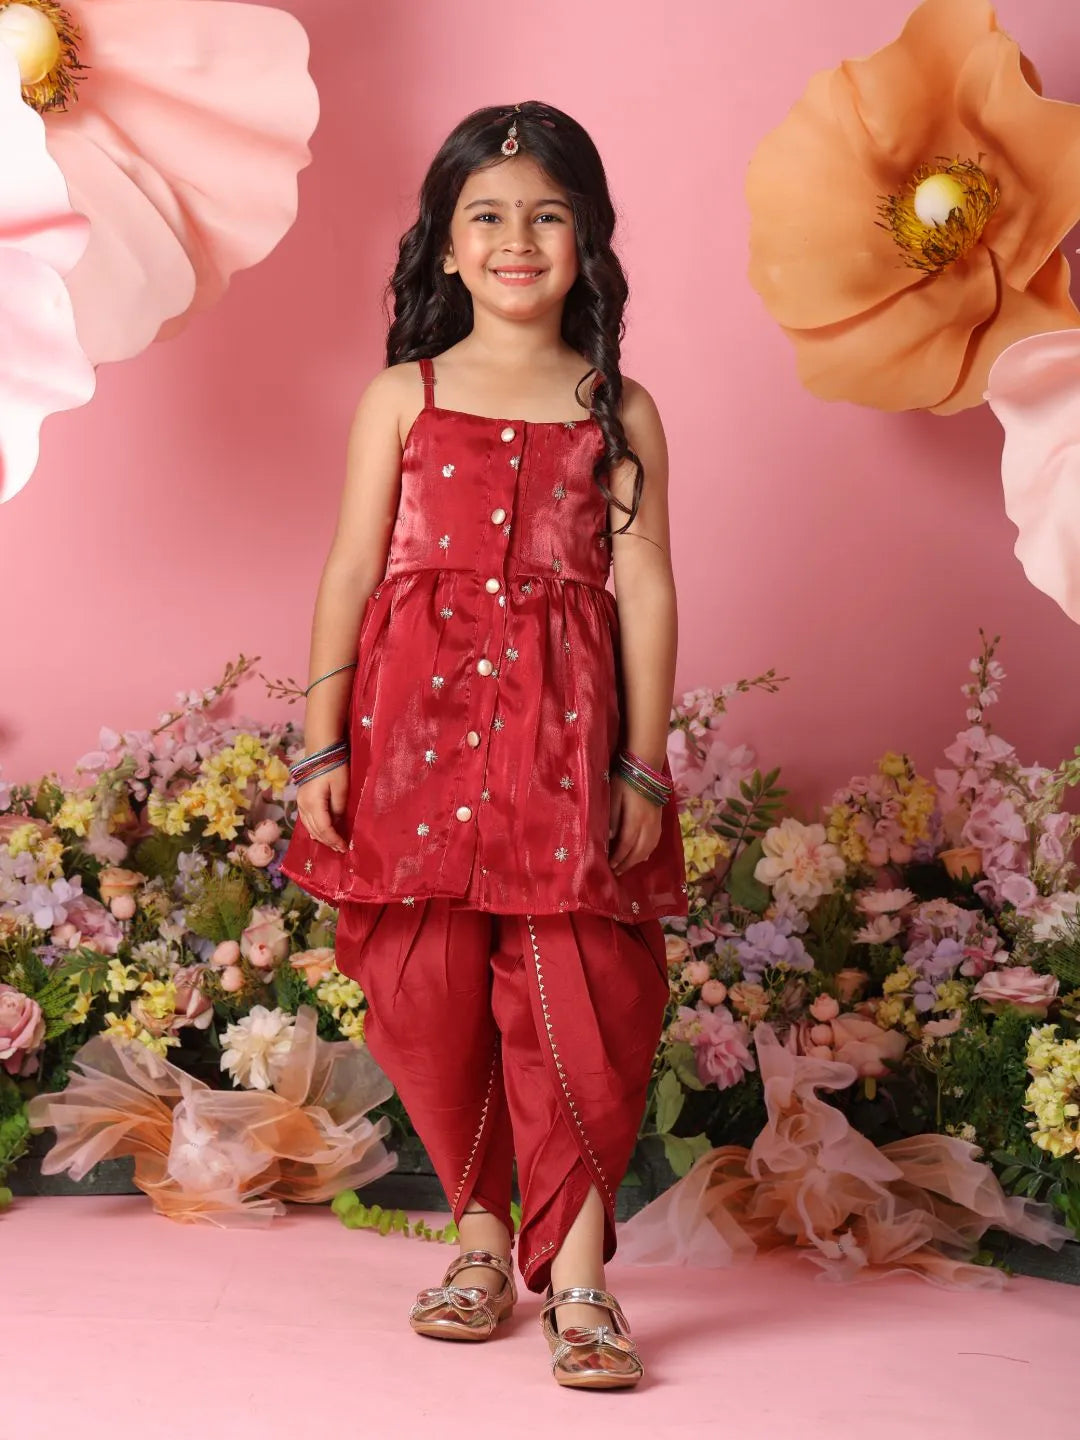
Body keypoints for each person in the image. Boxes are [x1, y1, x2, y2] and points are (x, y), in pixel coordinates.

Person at [280, 100, 687, 1390]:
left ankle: (581, 1279)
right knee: (427, 990)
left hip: (568, 753)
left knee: (584, 995)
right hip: (413, 746)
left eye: (548, 215)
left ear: (589, 238)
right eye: (489, 217)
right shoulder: (401, 397)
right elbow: (350, 569)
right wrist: (319, 746)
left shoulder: (619, 407)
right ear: (446, 245)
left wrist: (642, 763)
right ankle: (475, 1243)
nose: (518, 240)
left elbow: (647, 585)